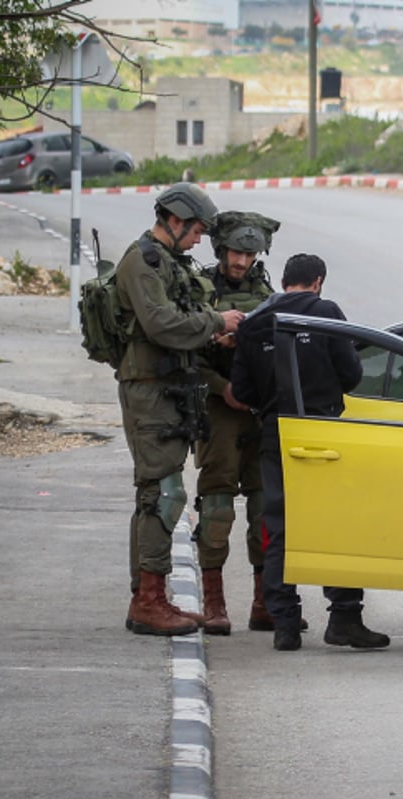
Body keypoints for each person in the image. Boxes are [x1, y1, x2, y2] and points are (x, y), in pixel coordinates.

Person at [229, 253, 389, 652]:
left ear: (284, 282)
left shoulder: (254, 324)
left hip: (276, 435)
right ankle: (344, 618)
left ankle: (285, 625)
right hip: (325, 435)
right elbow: (352, 375)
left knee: (280, 527)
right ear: (318, 281)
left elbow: (243, 391)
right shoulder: (325, 313)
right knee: (338, 525)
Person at [116, 182, 244, 637]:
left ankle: (148, 595)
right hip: (149, 391)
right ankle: (148, 601)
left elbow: (174, 322)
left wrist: (213, 336)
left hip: (166, 389)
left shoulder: (164, 261)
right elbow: (159, 323)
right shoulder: (143, 261)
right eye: (195, 231)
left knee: (158, 492)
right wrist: (215, 322)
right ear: (175, 220)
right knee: (162, 494)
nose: (198, 239)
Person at [193, 211, 282, 635]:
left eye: (249, 253)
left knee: (266, 509)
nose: (242, 261)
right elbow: (183, 354)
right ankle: (214, 603)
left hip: (258, 414)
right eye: (235, 251)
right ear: (220, 249)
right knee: (216, 509)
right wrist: (220, 386)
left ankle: (264, 601)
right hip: (219, 412)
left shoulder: (269, 295)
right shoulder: (200, 293)